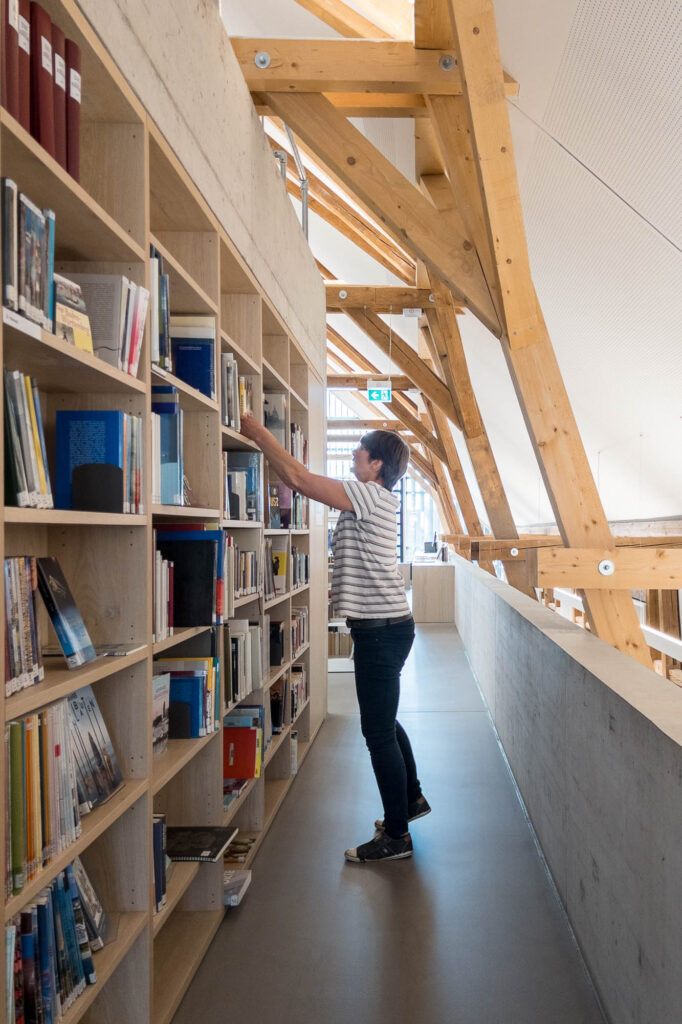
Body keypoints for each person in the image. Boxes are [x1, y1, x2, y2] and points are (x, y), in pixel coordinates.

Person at [239, 414, 430, 863]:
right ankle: (413, 798)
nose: (353, 454)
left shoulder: (368, 494)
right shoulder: (374, 499)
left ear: (377, 464)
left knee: (377, 730)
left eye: (360, 450)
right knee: (384, 719)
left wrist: (258, 433)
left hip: (382, 630)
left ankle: (397, 836)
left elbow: (300, 479)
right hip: (385, 626)